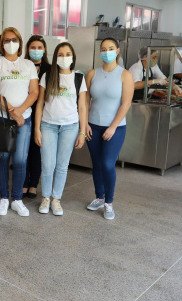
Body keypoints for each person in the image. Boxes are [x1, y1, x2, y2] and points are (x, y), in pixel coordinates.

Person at [0, 27, 39, 217]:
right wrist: (14, 113)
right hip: (2, 118)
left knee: (20, 160)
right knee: (2, 159)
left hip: (25, 118)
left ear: (19, 42)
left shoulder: (28, 65)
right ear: (1, 44)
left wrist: (21, 111)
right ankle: (3, 198)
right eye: (6, 40)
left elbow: (34, 92)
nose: (10, 43)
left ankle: (16, 199)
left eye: (14, 39)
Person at [34, 42, 88, 216]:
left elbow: (82, 107)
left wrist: (82, 131)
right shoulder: (47, 76)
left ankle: (56, 199)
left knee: (62, 165)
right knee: (48, 165)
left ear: (72, 57)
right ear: (55, 57)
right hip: (48, 125)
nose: (64, 58)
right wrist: (37, 129)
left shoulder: (79, 78)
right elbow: (40, 104)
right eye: (60, 54)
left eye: (67, 54)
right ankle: (46, 197)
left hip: (70, 127)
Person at [84, 38, 134, 220]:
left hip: (115, 128)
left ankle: (109, 203)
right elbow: (85, 101)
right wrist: (85, 123)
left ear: (118, 50)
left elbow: (126, 103)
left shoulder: (125, 75)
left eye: (111, 48)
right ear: (100, 52)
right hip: (93, 126)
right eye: (103, 49)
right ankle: (99, 196)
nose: (107, 52)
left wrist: (113, 127)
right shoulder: (92, 74)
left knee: (107, 163)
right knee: (96, 164)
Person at [23, 35, 49, 200]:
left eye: (40, 48)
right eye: (33, 47)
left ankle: (33, 184)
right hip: (25, 111)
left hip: (43, 114)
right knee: (24, 150)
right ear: (28, 49)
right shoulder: (23, 66)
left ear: (44, 50)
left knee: (37, 150)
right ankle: (24, 183)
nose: (36, 51)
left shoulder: (51, 68)